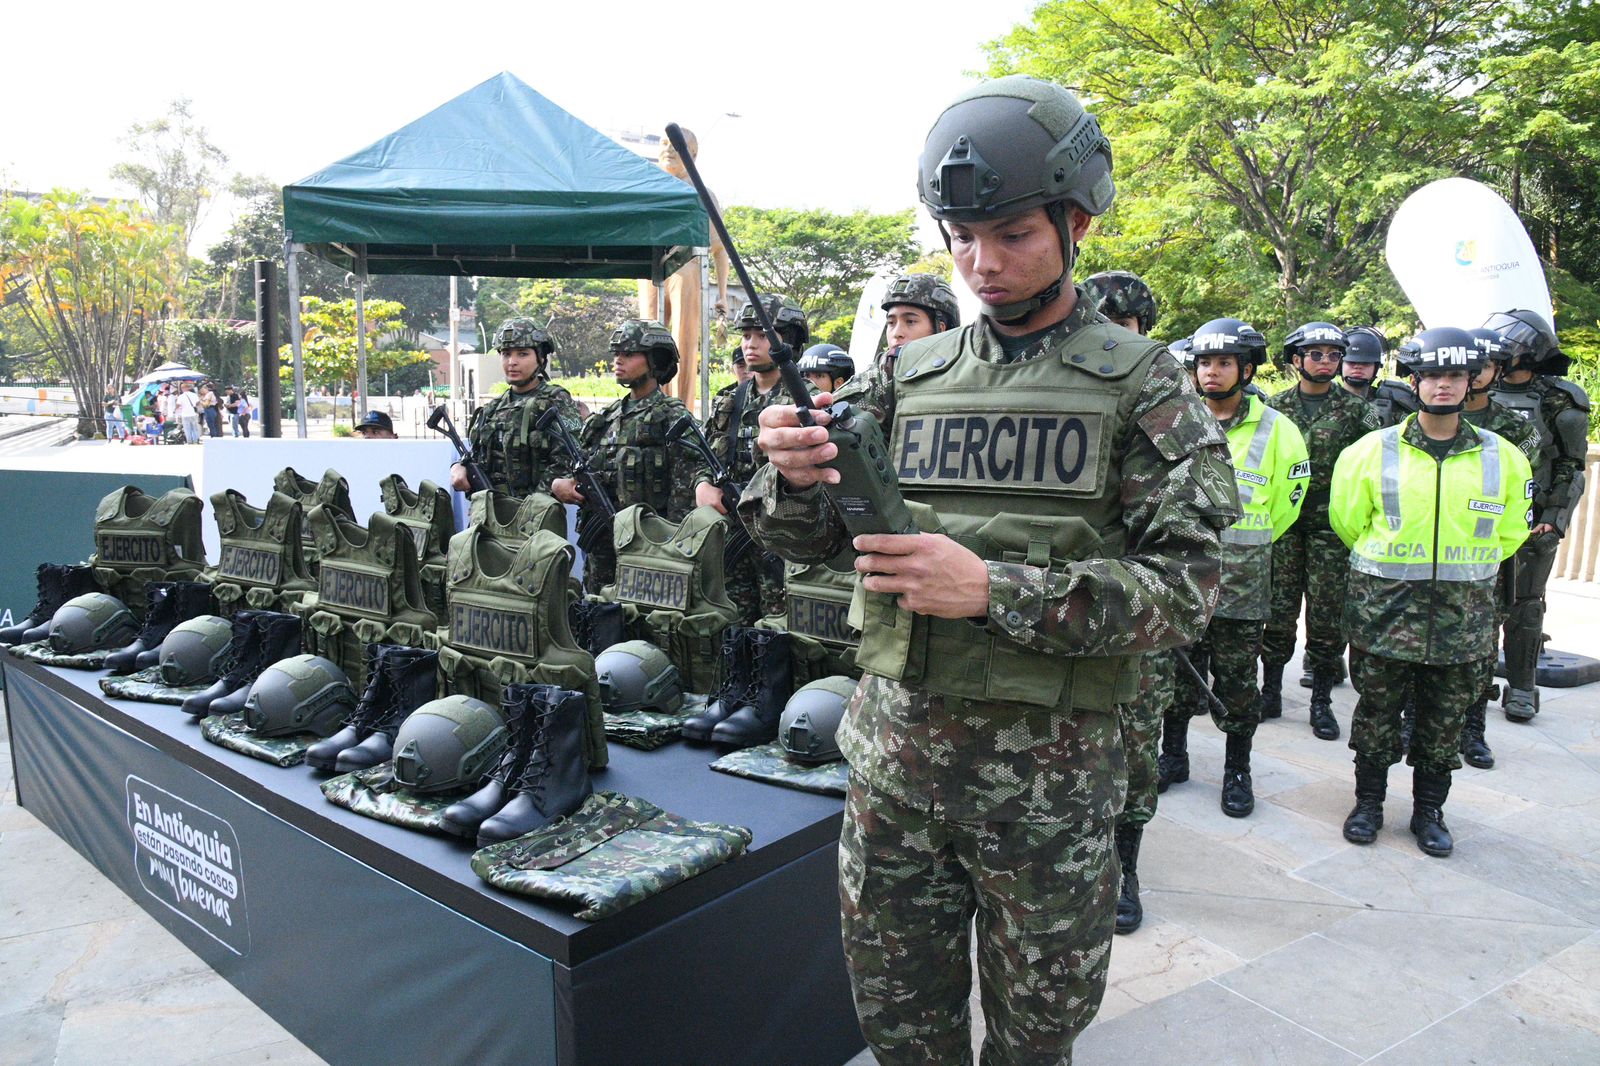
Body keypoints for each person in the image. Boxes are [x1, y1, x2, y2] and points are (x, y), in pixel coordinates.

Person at [740, 75, 1238, 1064]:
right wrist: (790, 475)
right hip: (895, 770)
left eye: (1010, 233)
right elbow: (804, 540)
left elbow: (1187, 589)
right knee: (900, 1028)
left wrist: (994, 590)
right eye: (961, 235)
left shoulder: (1142, 382)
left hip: (1048, 791)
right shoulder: (912, 373)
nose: (982, 262)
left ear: (1076, 217)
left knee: (1033, 1038)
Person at [1331, 327, 1531, 858]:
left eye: (1456, 375)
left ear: (1472, 382)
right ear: (1414, 381)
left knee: (1444, 724)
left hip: (1461, 621)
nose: (1444, 386)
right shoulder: (1370, 452)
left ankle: (1429, 812)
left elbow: (1512, 531)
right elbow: (1349, 523)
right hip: (1385, 614)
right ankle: (1369, 804)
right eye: (1433, 375)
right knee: (1376, 715)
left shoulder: (1503, 457)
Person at [1160, 318, 1309, 818]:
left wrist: (1241, 545)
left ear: (1245, 369)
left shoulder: (1278, 430)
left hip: (1242, 582)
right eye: (1205, 362)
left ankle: (1236, 771)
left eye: (1224, 363)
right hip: (1180, 576)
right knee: (1177, 676)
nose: (1213, 372)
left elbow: (1288, 504)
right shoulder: (1176, 418)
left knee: (1237, 683)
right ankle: (1173, 755)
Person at [1261, 322, 1382, 739]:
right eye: (1317, 354)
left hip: (1332, 528)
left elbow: (1374, 467)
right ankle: (1271, 689)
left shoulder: (1358, 411)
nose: (1327, 362)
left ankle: (1321, 701)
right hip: (1286, 525)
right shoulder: (1274, 409)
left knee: (1328, 617)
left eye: (1334, 355)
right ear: (1296, 360)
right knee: (1277, 611)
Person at [1486, 308, 1590, 723]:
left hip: (1534, 520)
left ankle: (1522, 688)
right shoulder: (1479, 391)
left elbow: (1571, 466)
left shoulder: (1558, 400)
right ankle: (1474, 684)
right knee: (1479, 605)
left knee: (1525, 606)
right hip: (1483, 514)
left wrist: (1554, 519)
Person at [552, 319, 698, 591]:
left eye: (629, 354)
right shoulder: (606, 419)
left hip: (650, 547)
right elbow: (576, 467)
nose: (618, 361)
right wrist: (561, 484)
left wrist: (671, 546)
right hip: (602, 548)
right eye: (617, 354)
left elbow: (687, 488)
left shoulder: (672, 416)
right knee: (599, 617)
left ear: (655, 361)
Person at [695, 293, 813, 623]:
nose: (751, 344)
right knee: (732, 621)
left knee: (780, 631)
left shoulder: (805, 401)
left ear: (788, 341)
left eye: (763, 335)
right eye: (747, 336)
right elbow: (703, 458)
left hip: (786, 539)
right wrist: (703, 485)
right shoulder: (729, 401)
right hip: (734, 535)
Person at [1456, 327, 1541, 769]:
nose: (1475, 375)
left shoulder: (1512, 428)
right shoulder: (1431, 416)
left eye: (1485, 366)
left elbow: (1523, 490)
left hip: (1487, 559)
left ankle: (1473, 728)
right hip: (1434, 555)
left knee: (1482, 648)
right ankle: (1416, 718)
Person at [450, 318, 581, 498]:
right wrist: (459, 467)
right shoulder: (493, 408)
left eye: (522, 354)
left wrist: (533, 503)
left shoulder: (555, 401)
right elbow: (475, 455)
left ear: (541, 358)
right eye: (506, 354)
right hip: (488, 511)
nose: (512, 362)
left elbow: (570, 459)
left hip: (534, 516)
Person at [878, 272, 960, 375]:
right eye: (891, 323)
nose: (896, 333)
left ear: (940, 329)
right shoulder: (877, 376)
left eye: (910, 321)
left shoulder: (962, 377)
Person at [1341, 326, 1418, 427]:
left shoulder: (1393, 400)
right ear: (1340, 364)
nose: (1358, 367)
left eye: (1366, 363)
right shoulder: (1327, 398)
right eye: (1351, 362)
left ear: (1376, 367)